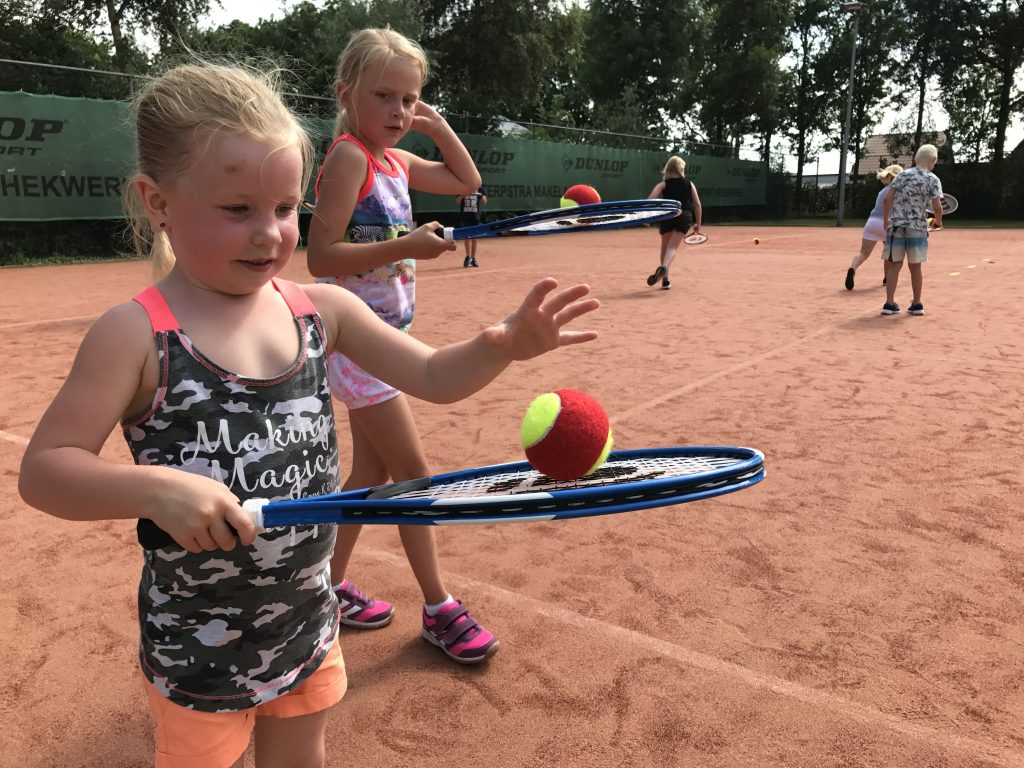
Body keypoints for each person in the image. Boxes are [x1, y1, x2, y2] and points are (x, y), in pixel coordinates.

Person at [17, 62, 599, 768]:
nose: (270, 234)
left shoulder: (321, 310)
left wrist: (501, 346)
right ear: (158, 202)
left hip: (306, 624)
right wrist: (155, 489)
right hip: (197, 649)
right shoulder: (137, 333)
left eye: (286, 209)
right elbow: (46, 471)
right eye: (237, 210)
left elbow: (434, 376)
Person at [306, 28, 499, 663]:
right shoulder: (350, 158)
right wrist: (406, 246)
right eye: (384, 95)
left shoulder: (396, 160)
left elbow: (466, 180)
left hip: (388, 339)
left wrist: (436, 126)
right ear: (346, 94)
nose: (398, 111)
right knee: (414, 476)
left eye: (410, 99)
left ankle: (322, 589)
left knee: (372, 474)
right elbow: (321, 257)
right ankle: (440, 607)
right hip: (360, 347)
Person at [880, 144, 943, 316]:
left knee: (894, 265)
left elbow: (887, 199)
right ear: (933, 161)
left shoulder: (901, 175)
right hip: (918, 228)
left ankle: (889, 303)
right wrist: (938, 222)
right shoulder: (932, 179)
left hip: (897, 226)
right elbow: (937, 207)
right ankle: (916, 304)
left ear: (916, 159)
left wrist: (886, 221)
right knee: (915, 267)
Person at [646, 156, 702, 291]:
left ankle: (665, 279)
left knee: (664, 247)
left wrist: (648, 218)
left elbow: (650, 199)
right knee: (672, 248)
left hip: (667, 216)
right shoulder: (689, 184)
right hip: (684, 216)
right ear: (681, 169)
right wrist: (698, 224)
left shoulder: (663, 184)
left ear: (668, 169)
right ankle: (664, 267)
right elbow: (697, 204)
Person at [845, 164, 902, 290]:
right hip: (886, 224)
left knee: (863, 253)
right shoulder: (897, 191)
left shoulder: (882, 191)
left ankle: (852, 268)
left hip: (871, 223)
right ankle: (887, 279)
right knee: (889, 254)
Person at [457, 185, 487, 267]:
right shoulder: (463, 188)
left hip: (475, 216)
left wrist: (483, 199)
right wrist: (464, 194)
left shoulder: (480, 189)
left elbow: (484, 202)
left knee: (474, 238)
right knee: (467, 237)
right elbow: (458, 200)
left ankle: (474, 258)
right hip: (465, 216)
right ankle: (468, 257)